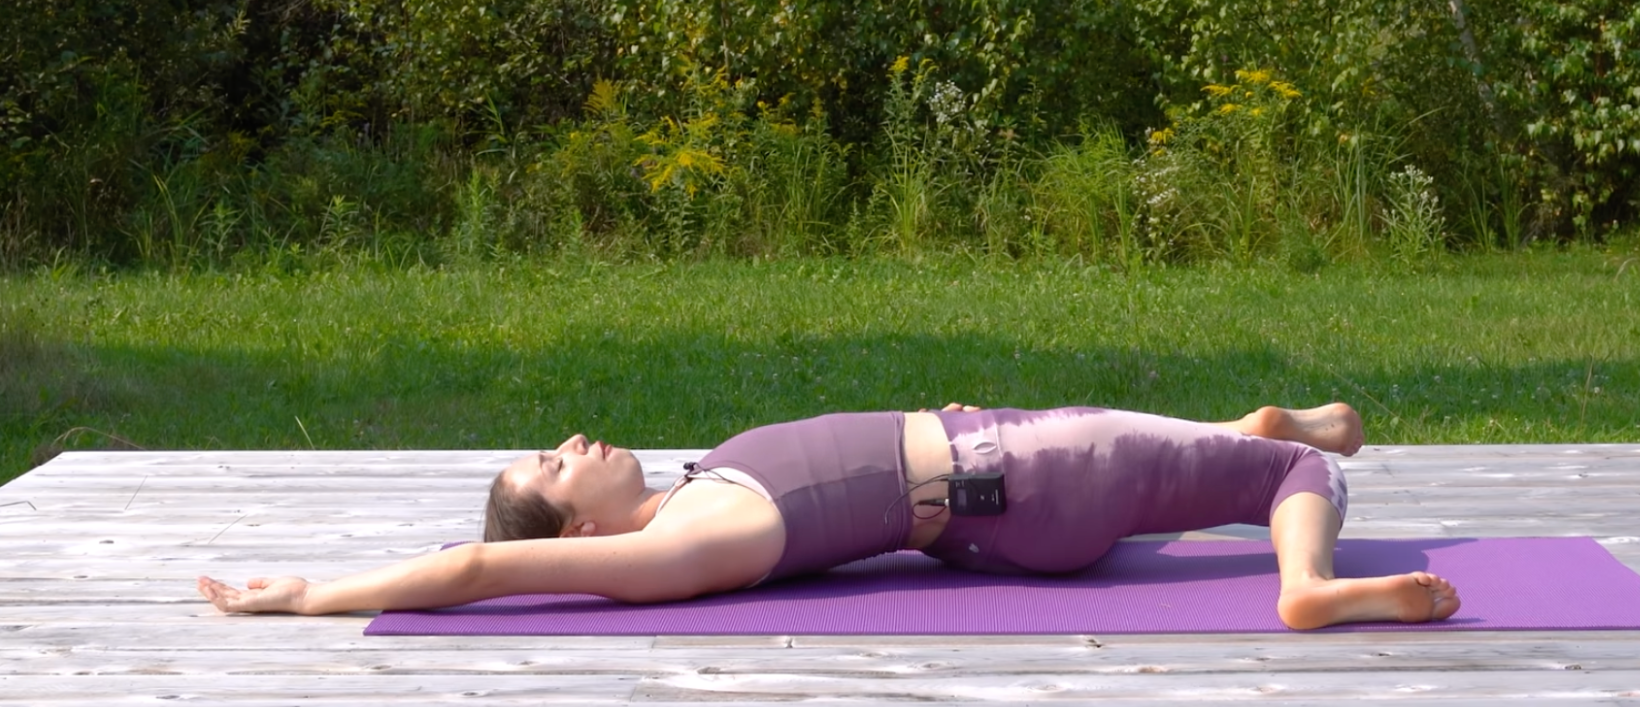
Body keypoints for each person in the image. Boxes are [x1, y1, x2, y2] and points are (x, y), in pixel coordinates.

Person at [196, 402, 1459, 630]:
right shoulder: (679, 546)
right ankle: (1309, 570)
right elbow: (478, 568)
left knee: (1206, 461)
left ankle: (1268, 426)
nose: (573, 442)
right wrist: (308, 592)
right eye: (555, 465)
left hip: (1011, 505)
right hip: (1035, 474)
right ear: (576, 533)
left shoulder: (698, 495)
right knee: (1297, 489)